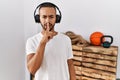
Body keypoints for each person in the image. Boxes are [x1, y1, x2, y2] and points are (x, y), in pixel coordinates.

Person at [26, 2, 76, 80]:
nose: (47, 20)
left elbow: (70, 65)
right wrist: (43, 43)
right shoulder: (31, 41)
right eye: (44, 17)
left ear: (57, 18)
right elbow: (32, 70)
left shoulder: (66, 39)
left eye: (51, 17)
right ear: (39, 18)